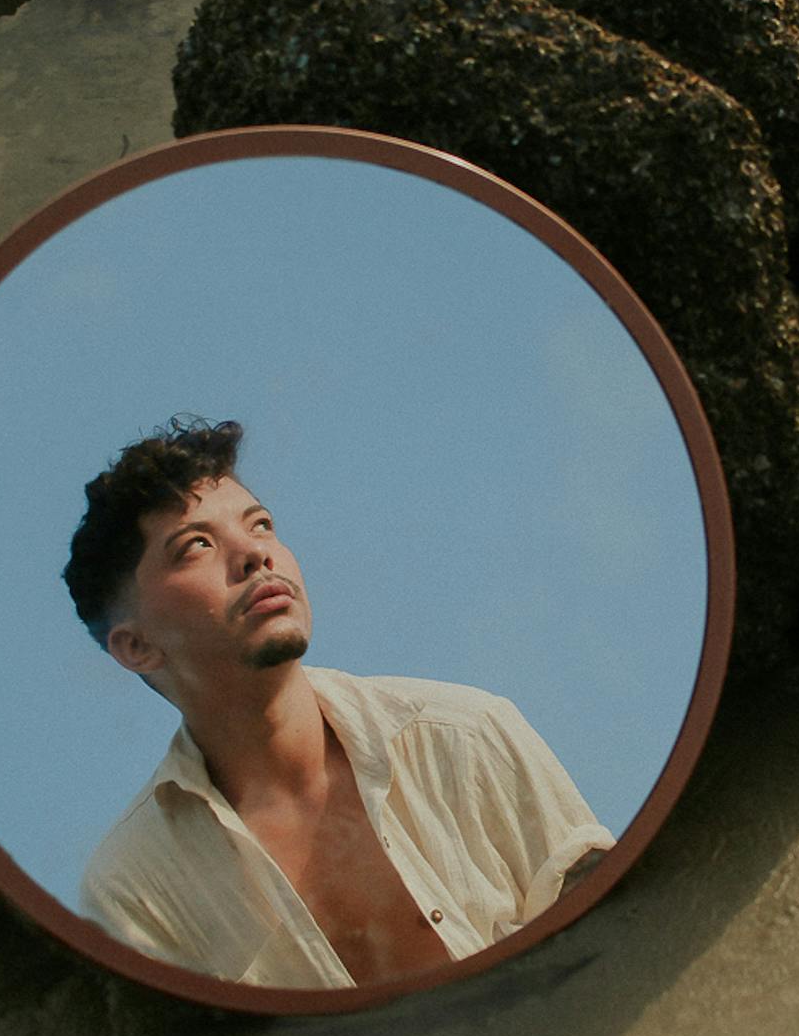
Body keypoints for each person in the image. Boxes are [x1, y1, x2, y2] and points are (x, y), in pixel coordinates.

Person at [64, 416, 613, 990]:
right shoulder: (134, 885)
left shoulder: (465, 734)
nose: (255, 554)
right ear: (136, 645)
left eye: (261, 525)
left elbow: (621, 939)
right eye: (196, 545)